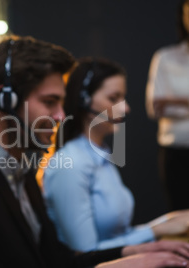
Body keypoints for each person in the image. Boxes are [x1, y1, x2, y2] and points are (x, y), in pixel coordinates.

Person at [0, 36, 189, 268]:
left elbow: (56, 261)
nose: (62, 116)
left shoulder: (19, 170)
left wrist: (130, 252)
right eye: (50, 103)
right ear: (5, 100)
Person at [43, 57, 189, 253]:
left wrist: (169, 221)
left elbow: (119, 236)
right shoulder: (71, 163)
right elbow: (86, 253)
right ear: (84, 100)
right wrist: (156, 231)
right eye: (114, 98)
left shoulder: (98, 155)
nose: (125, 108)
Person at [146, 0, 189, 210]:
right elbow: (154, 107)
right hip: (175, 150)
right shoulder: (165, 57)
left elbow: (165, 104)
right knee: (179, 214)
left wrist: (175, 100)